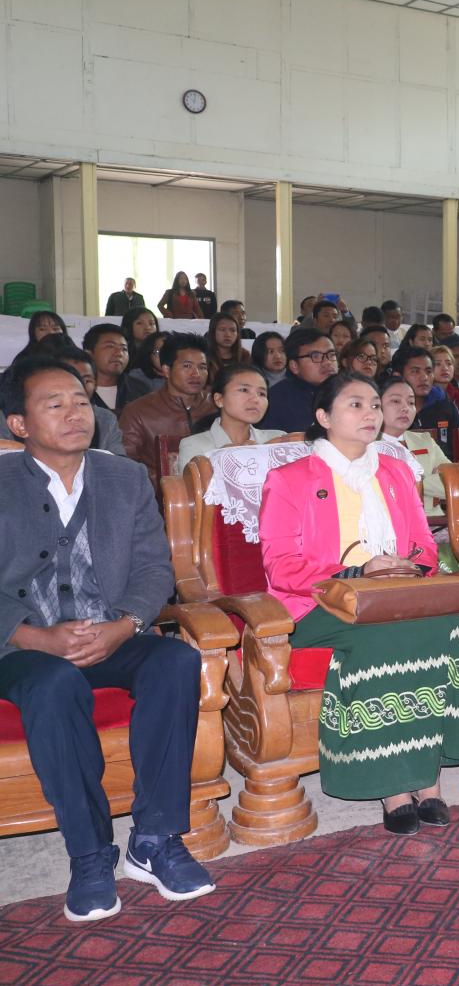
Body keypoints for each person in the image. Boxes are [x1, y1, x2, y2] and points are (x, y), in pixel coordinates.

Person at [0, 356, 216, 923]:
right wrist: (32, 635)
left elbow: (154, 569)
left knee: (175, 660)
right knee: (53, 685)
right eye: (55, 404)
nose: (76, 413)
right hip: (21, 647)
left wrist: (124, 626)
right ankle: (90, 852)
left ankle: (155, 839)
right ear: (19, 424)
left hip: (110, 632)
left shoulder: (124, 477)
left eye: (81, 401)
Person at [259, 372, 459, 834]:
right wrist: (356, 572)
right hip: (320, 604)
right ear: (323, 416)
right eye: (355, 404)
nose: (370, 413)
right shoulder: (289, 479)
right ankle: (394, 785)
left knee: (450, 626)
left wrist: (406, 567)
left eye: (374, 404)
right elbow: (280, 566)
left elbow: (424, 546)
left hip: (393, 594)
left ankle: (427, 774)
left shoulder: (395, 471)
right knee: (384, 637)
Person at [118, 333, 216, 486]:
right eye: (187, 366)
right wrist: (166, 484)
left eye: (202, 367)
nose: (196, 374)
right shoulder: (138, 411)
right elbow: (125, 464)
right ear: (166, 370)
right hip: (158, 494)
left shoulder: (218, 405)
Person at [175, 365, 285, 472]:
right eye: (244, 390)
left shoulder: (278, 440)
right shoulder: (194, 445)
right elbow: (194, 483)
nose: (256, 399)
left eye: (261, 393)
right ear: (219, 399)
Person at [378, 375, 448, 511]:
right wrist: (430, 481)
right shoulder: (367, 446)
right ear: (376, 406)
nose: (405, 408)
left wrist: (412, 482)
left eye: (411, 402)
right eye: (396, 401)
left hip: (435, 521)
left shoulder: (425, 440)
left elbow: (454, 481)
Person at [263, 329, 337, 435]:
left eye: (331, 355)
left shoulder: (349, 390)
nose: (327, 362)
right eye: (316, 356)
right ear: (294, 366)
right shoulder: (276, 400)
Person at [392, 346, 459, 446]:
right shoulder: (388, 411)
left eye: (428, 371)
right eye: (415, 371)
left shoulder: (445, 405)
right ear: (398, 377)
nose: (424, 377)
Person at [83, 323, 148, 413]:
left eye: (124, 349)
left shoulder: (140, 390)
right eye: (110, 346)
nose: (119, 353)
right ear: (89, 354)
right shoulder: (77, 388)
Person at [125, 332, 168, 398]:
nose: (164, 355)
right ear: (148, 354)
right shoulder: (137, 377)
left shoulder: (180, 374)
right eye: (158, 352)